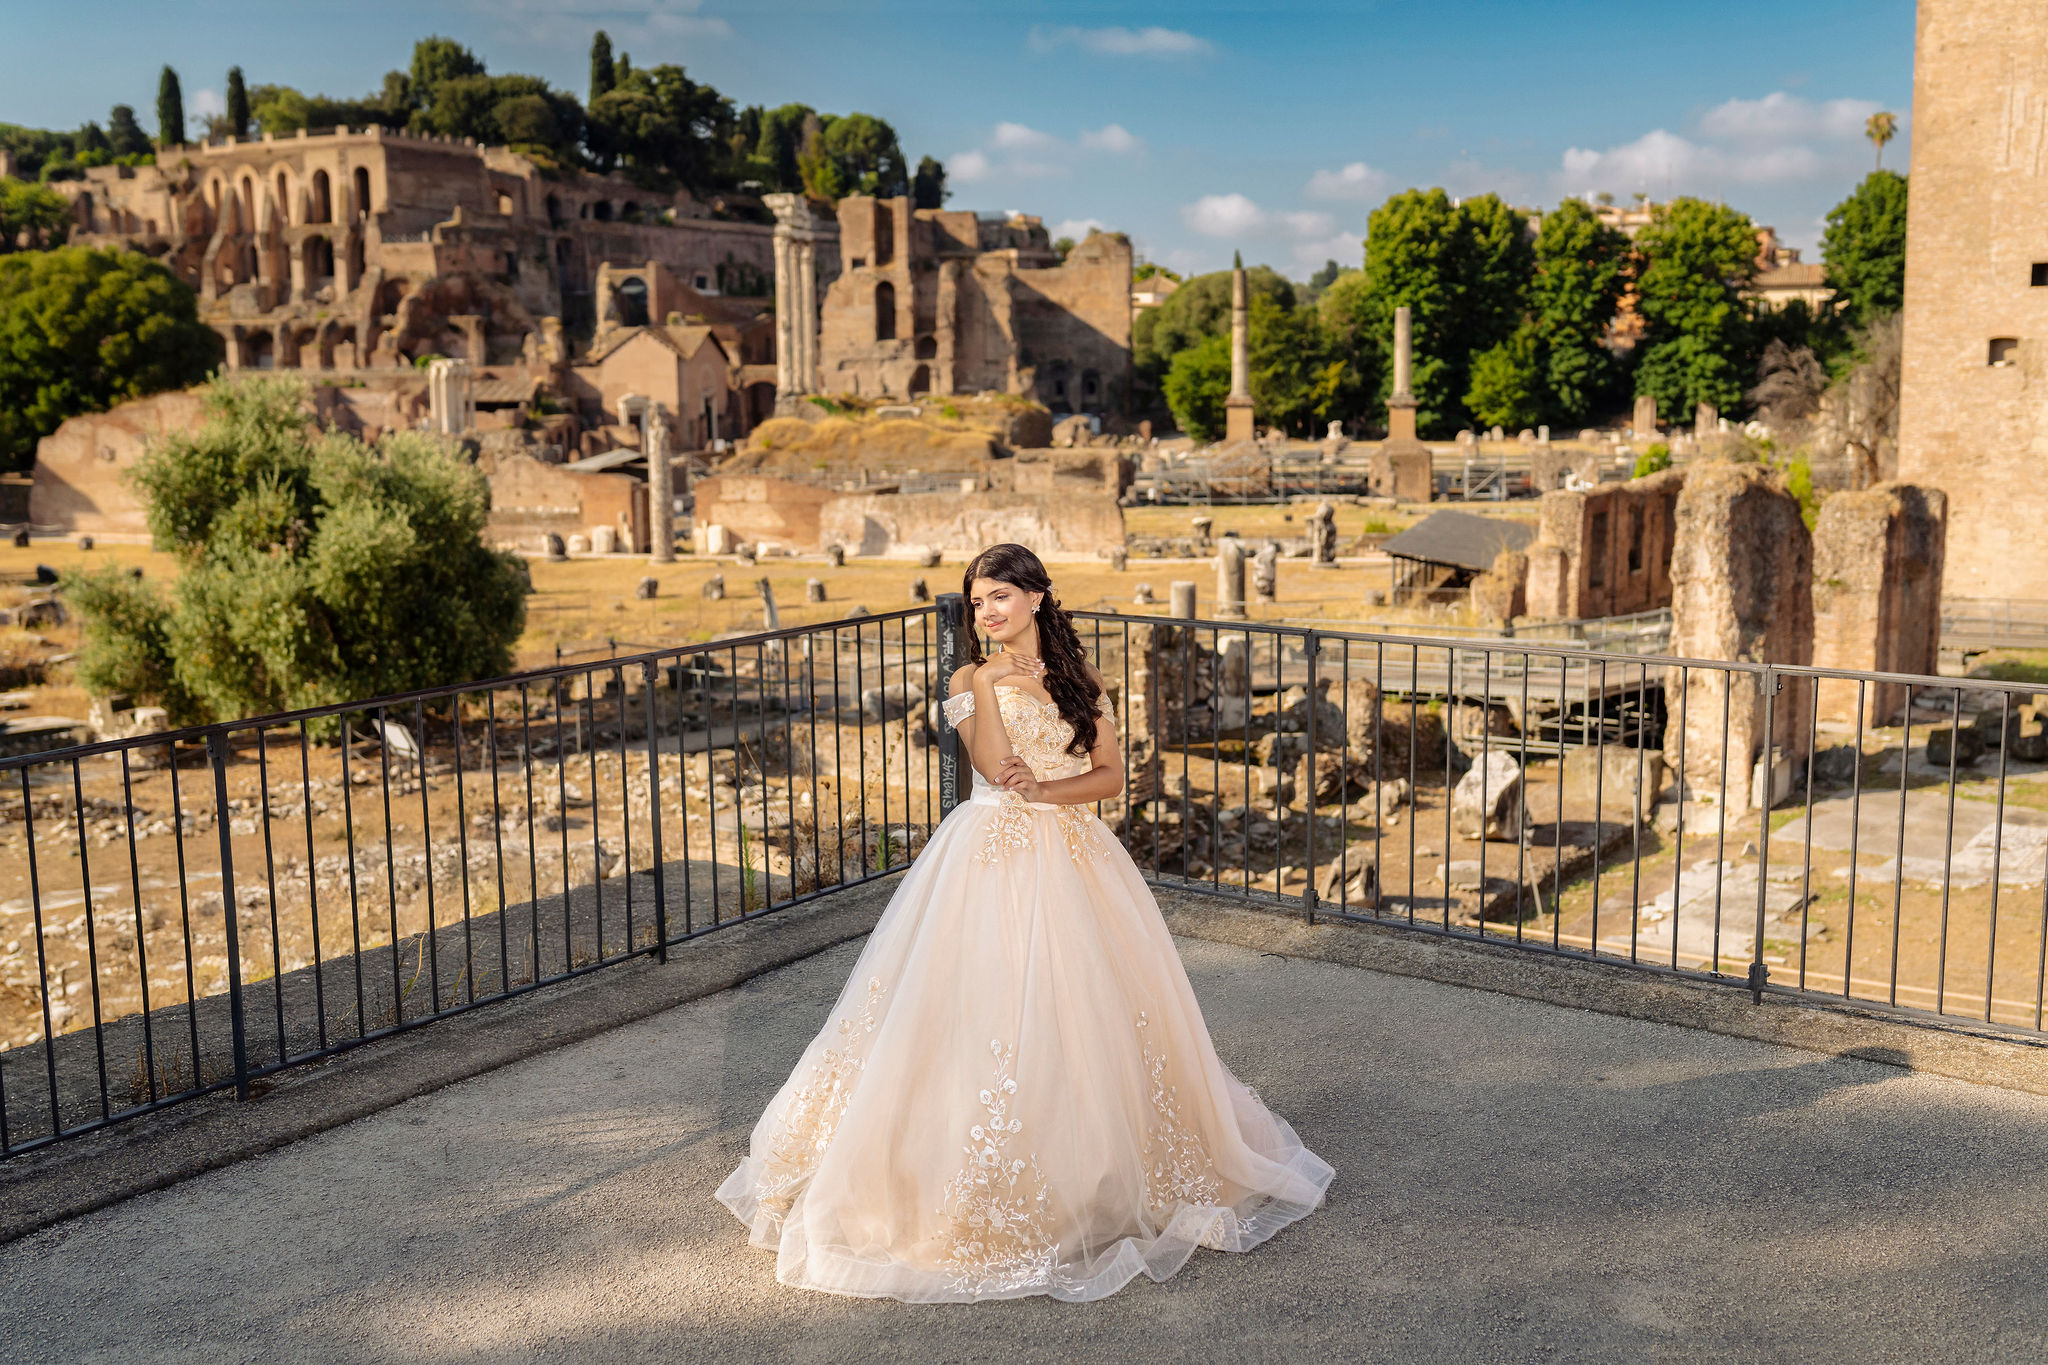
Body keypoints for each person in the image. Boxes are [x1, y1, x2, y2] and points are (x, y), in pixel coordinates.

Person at [717, 543, 1332, 1302]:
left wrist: (1049, 791)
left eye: (1000, 596)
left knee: (1089, 1012)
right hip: (987, 855)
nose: (986, 612)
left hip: (1075, 853)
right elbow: (993, 765)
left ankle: (1100, 1172)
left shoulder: (1084, 682)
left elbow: (1107, 777)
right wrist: (1006, 720)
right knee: (975, 1009)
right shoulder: (969, 678)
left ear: (1037, 596)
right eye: (976, 602)